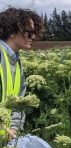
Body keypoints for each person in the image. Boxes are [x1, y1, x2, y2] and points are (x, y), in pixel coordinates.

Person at [0, 7, 43, 140]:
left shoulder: (15, 60)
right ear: (12, 31)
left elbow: (19, 101)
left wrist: (13, 128)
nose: (34, 36)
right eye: (29, 32)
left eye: (35, 32)